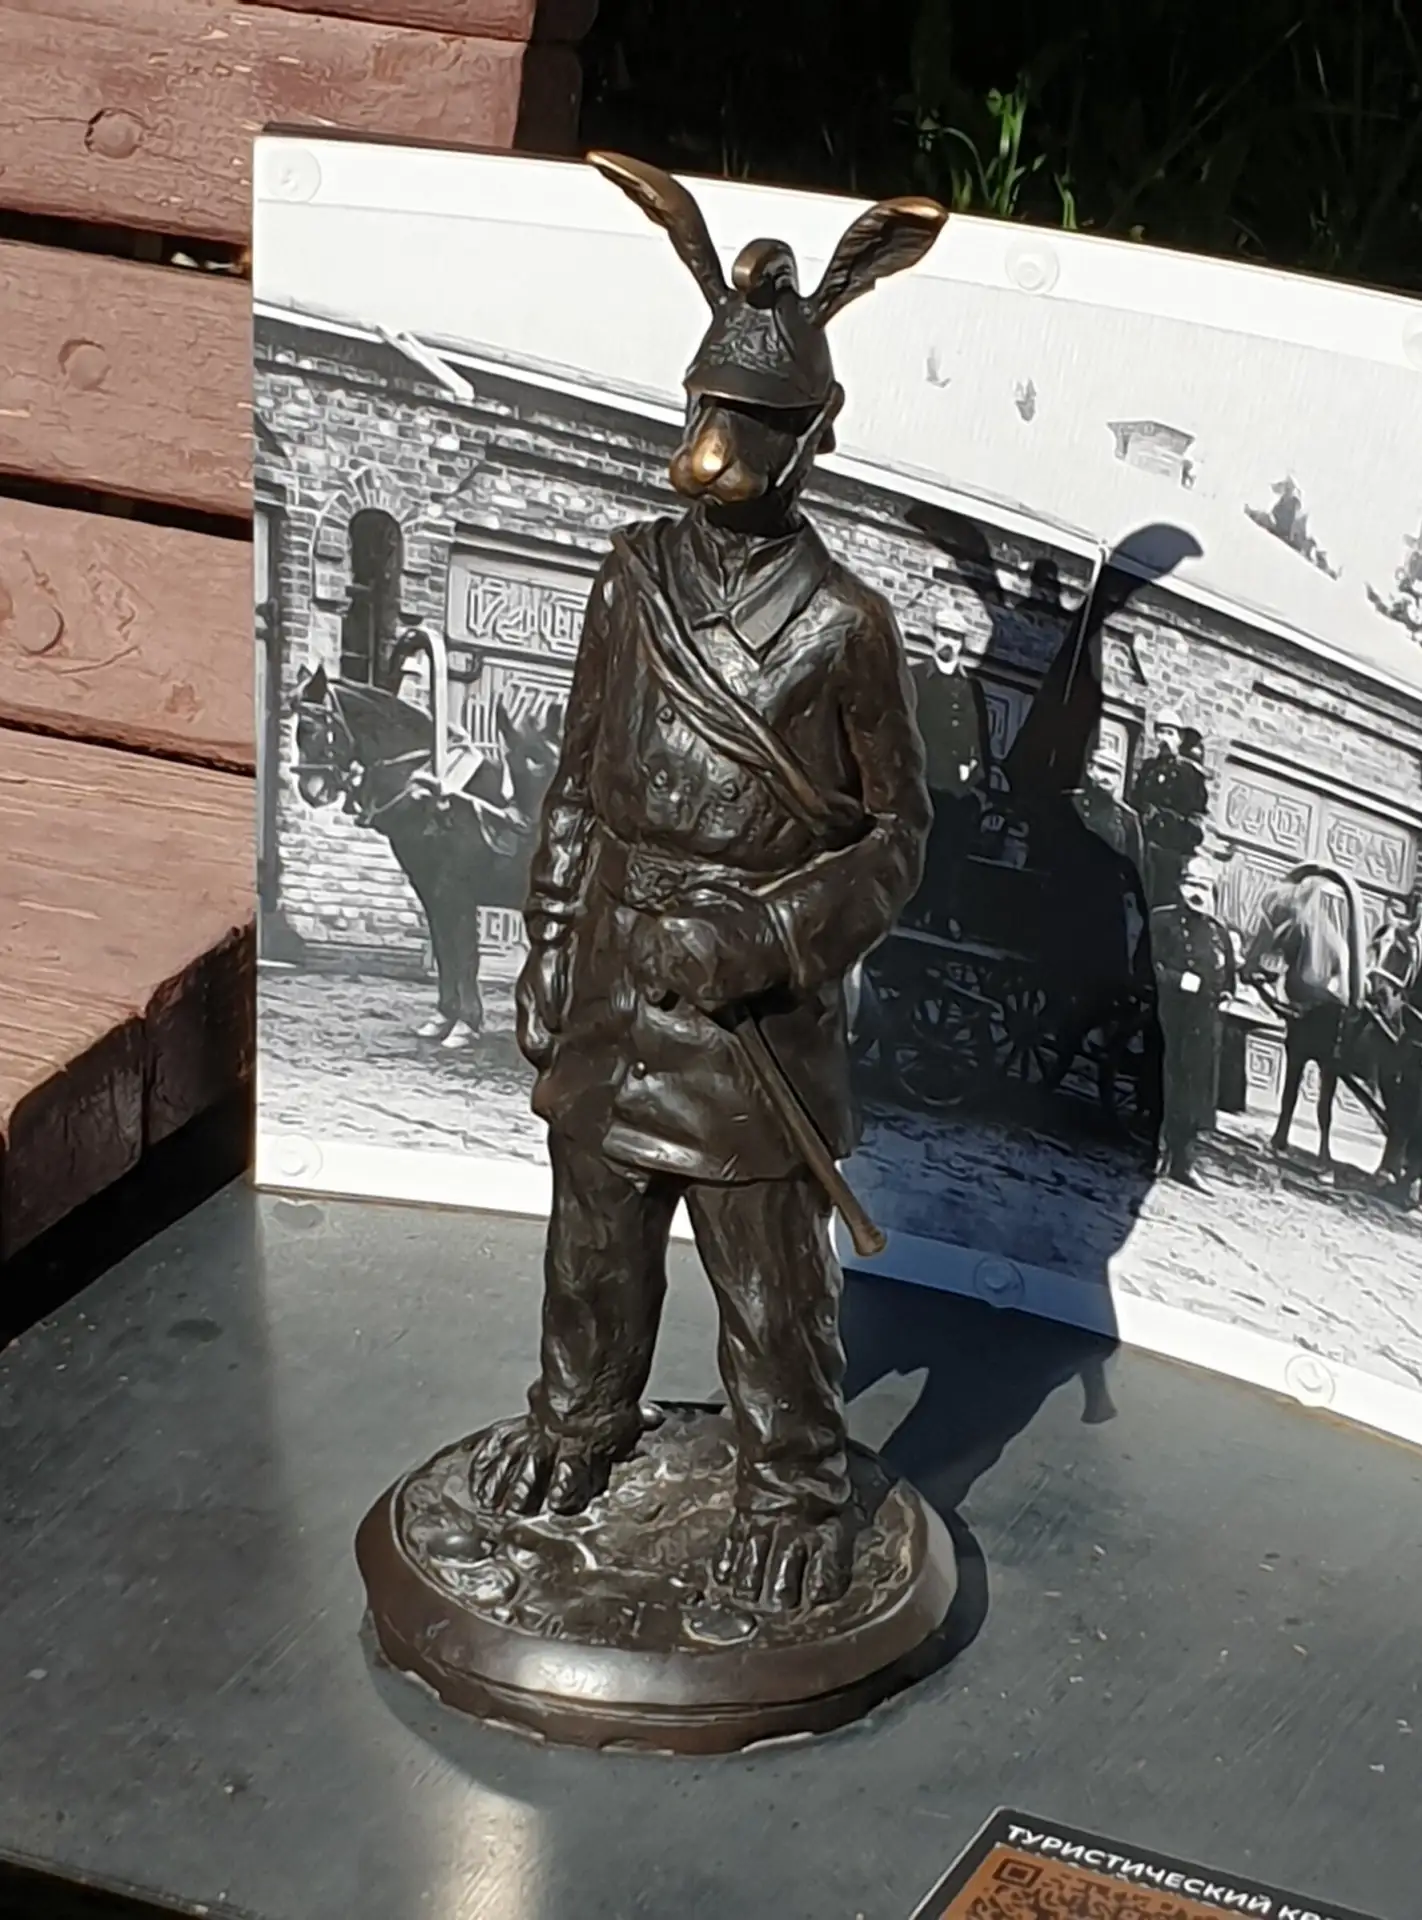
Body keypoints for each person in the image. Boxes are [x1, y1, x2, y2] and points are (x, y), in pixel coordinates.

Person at [465, 152, 944, 1614]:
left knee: (768, 1285)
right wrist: (553, 940)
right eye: (705, 410)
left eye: (751, 422)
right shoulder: (629, 575)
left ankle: (795, 1485)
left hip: (747, 1020)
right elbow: (576, 777)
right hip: (618, 977)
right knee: (591, 1248)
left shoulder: (847, 626)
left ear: (810, 439)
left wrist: (768, 934)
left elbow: (896, 839)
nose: (714, 446)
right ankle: (577, 1423)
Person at [1150, 851, 1237, 1189]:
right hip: (1169, 1015)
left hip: (1205, 1022)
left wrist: (1227, 994)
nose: (1198, 892)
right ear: (1180, 885)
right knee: (1166, 1085)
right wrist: (1176, 979)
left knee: (1196, 1092)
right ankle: (1158, 1154)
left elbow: (1228, 976)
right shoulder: (1162, 921)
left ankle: (1185, 1162)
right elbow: (1146, 965)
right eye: (1192, 883)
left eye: (1205, 886)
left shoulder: (1218, 931)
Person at [1129, 708, 1210, 906]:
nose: (1164, 738)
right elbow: (1135, 803)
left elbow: (1196, 822)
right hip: (1143, 848)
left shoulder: (1190, 775)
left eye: (1170, 733)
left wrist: (1165, 821)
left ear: (1179, 739)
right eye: (1161, 732)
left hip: (1172, 853)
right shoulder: (1148, 769)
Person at [1069, 735, 1146, 878]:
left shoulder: (1127, 819)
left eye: (1114, 772)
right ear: (1090, 769)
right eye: (1102, 768)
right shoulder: (1071, 802)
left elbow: (1135, 868)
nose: (1107, 777)